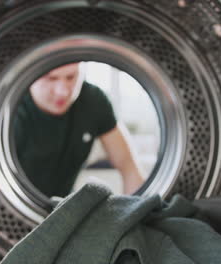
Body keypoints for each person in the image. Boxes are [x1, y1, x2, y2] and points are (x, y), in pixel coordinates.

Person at [11, 62, 144, 198]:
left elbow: (129, 167)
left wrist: (138, 212)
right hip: (11, 208)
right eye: (51, 78)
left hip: (61, 209)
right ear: (29, 74)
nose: (62, 91)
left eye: (71, 77)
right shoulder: (9, 110)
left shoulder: (93, 101)